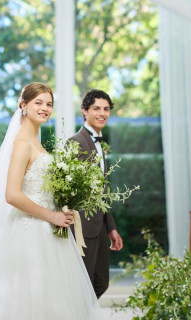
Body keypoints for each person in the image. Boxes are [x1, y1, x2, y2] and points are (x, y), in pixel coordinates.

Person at [0, 83, 104, 320]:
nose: (45, 108)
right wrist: (52, 216)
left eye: (49, 104)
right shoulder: (21, 143)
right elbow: (12, 195)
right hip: (29, 231)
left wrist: (62, 207)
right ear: (23, 105)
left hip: (49, 230)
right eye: (38, 102)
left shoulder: (37, 142)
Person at [69, 89, 123, 299]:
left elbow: (102, 192)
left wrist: (111, 228)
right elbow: (68, 191)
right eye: (96, 108)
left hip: (99, 226)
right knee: (82, 286)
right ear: (84, 111)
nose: (102, 113)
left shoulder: (100, 145)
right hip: (81, 228)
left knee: (100, 283)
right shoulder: (76, 142)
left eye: (106, 109)